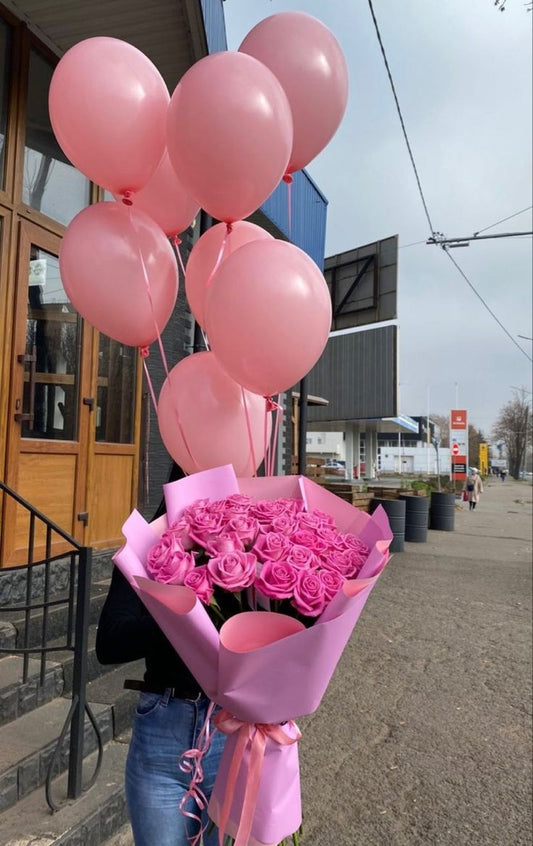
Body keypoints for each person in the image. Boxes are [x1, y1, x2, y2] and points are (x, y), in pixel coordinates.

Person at [95, 463, 225, 846]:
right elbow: (110, 642)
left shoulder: (258, 545)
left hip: (234, 732)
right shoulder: (150, 546)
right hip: (163, 730)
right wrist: (188, 614)